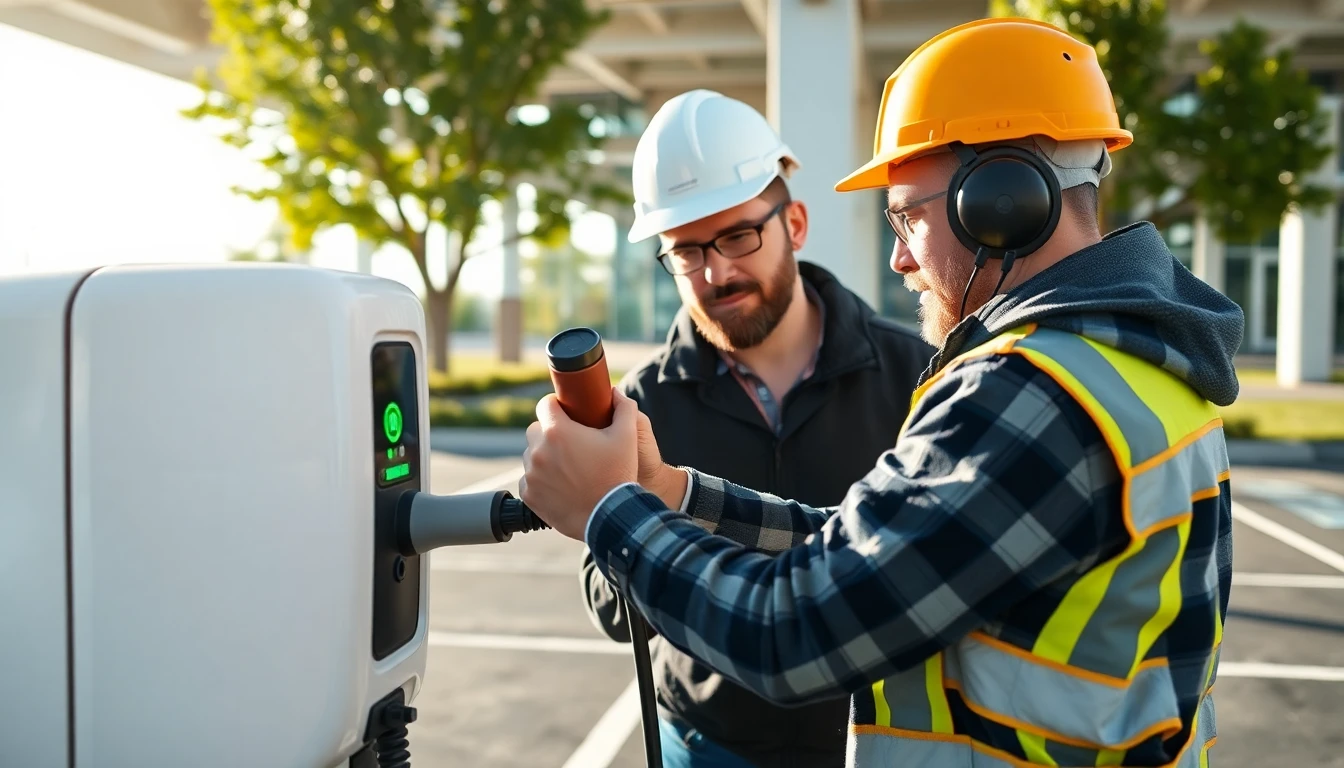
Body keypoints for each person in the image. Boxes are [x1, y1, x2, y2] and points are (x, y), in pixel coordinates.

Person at [521, 17, 1245, 768]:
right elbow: (877, 552)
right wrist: (674, 494)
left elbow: (792, 631)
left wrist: (611, 512)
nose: (898, 257)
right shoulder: (1129, 364)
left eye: (905, 215)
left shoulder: (1030, 392)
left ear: (1000, 202)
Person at [578, 89, 935, 768]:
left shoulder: (915, 374)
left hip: (874, 746)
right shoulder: (643, 400)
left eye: (738, 234)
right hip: (709, 747)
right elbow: (609, 607)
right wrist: (636, 519)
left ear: (794, 224)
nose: (716, 272)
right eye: (685, 251)